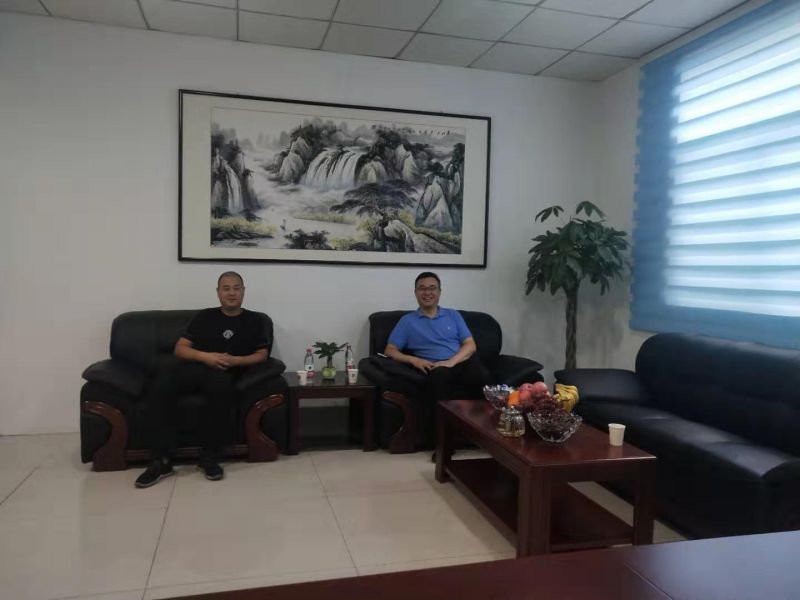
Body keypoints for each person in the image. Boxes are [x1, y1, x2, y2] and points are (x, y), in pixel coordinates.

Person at [135, 271, 269, 488]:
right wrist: (206, 357)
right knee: (161, 385)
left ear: (244, 291)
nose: (231, 293)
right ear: (218, 292)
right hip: (196, 367)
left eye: (236, 288)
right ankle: (161, 460)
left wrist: (235, 361)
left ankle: (209, 457)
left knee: (220, 390)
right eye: (226, 288)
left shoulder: (255, 320)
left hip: (226, 372)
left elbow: (262, 355)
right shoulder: (205, 317)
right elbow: (180, 349)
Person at [384, 272, 491, 445]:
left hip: (460, 361)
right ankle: (443, 443)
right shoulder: (407, 321)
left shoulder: (453, 315)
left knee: (482, 376)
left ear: (440, 292)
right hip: (435, 367)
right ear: (415, 292)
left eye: (432, 288)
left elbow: (470, 345)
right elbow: (390, 350)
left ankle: (484, 437)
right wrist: (414, 360)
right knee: (439, 379)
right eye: (422, 288)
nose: (427, 292)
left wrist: (451, 362)